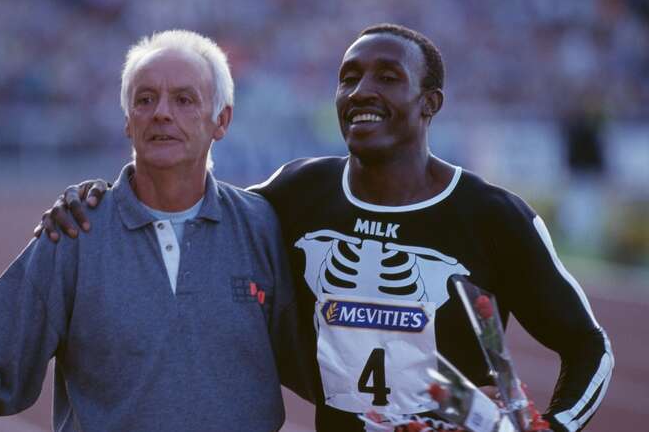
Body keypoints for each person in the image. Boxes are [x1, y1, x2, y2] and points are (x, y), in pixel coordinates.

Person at [39, 24, 613, 432]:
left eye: (388, 77)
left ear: (429, 101)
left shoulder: (494, 216)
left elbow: (590, 348)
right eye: (349, 78)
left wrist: (555, 427)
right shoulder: (297, 193)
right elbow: (194, 211)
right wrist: (101, 198)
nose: (362, 91)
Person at [0, 30, 302, 432]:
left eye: (184, 99)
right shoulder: (77, 231)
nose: (161, 112)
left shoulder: (260, 227)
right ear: (128, 121)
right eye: (145, 100)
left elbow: (326, 362)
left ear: (221, 119)